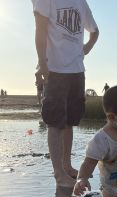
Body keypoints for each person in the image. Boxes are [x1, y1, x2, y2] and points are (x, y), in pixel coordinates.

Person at [34, 0, 99, 187]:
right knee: (55, 123)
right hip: (54, 69)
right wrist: (42, 63)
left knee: (70, 122)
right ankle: (59, 174)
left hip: (77, 71)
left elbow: (95, 32)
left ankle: (67, 166)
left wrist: (86, 48)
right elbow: (40, 29)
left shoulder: (81, 2)